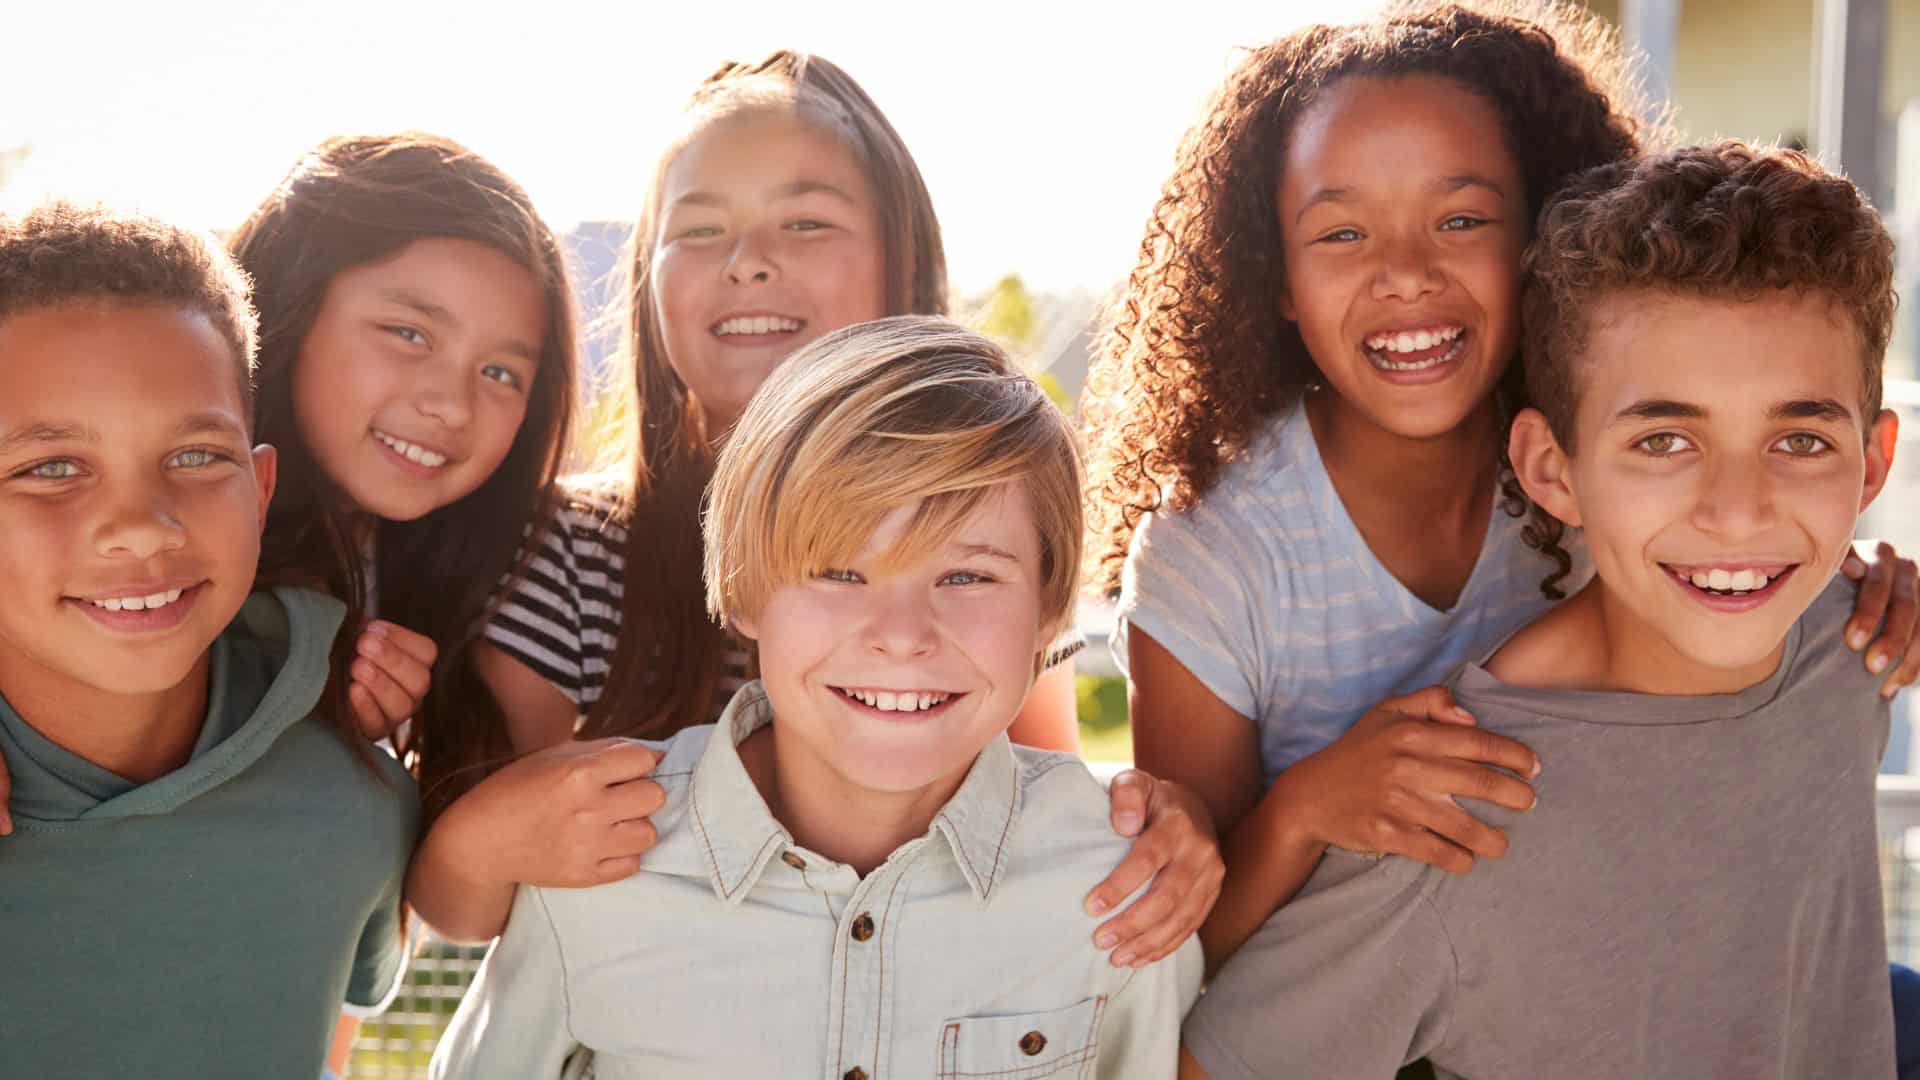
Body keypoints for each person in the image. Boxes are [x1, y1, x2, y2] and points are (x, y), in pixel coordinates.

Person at [1083, 0, 1920, 969]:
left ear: (1540, 236)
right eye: (1343, 234)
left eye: (1463, 218)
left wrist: (1839, 592)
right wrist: (1308, 808)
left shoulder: (1619, 463)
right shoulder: (1211, 556)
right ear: (1276, 276)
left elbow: (1733, 552)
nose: (1405, 273)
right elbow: (1181, 951)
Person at [409, 52, 1222, 968]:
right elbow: (465, 905)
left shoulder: (989, 532)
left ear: (898, 260)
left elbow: (1047, 814)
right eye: (702, 229)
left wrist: (1156, 824)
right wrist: (480, 841)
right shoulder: (564, 554)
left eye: (805, 221)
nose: (750, 261)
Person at [1182, 140, 1900, 1078]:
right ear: (1552, 471)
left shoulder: (1858, 648)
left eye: (1800, 439)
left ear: (1873, 465)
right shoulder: (1451, 817)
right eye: (1666, 439)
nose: (1739, 511)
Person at [430, 317, 1202, 1079]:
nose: (902, 635)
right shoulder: (596, 861)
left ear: (1050, 606)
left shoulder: (1127, 890)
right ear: (743, 590)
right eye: (839, 572)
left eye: (966, 576)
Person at [0, 202, 417, 1077]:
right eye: (50, 469)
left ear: (261, 492)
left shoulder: (355, 807)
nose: (142, 528)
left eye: (196, 457)